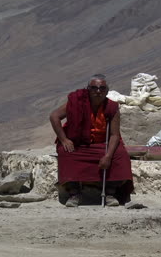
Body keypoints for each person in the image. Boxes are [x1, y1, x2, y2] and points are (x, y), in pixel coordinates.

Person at [49, 74, 133, 207]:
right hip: (79, 143)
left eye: (102, 88)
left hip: (101, 144)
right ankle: (74, 193)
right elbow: (54, 116)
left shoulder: (111, 107)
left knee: (120, 155)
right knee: (66, 153)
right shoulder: (77, 102)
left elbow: (115, 135)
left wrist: (108, 156)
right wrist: (64, 140)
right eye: (94, 88)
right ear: (88, 89)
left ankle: (110, 193)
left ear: (107, 90)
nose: (98, 91)